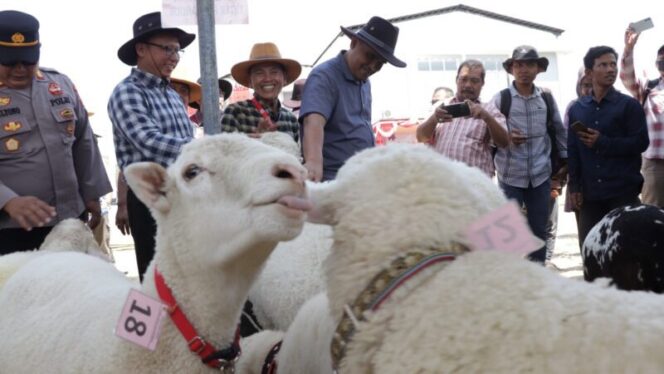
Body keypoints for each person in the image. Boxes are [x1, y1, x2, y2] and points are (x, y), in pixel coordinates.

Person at [0, 10, 112, 254]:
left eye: (28, 60)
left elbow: (84, 141)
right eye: (9, 61)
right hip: (10, 230)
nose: (20, 69)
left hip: (68, 221)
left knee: (72, 287)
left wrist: (92, 194)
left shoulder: (59, 85)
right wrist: (7, 200)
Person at [108, 11, 195, 281]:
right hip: (150, 197)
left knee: (189, 273)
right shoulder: (128, 92)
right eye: (167, 49)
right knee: (158, 276)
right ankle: (155, 325)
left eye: (177, 50)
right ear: (141, 49)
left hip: (183, 192)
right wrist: (204, 152)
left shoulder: (170, 92)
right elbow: (149, 142)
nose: (174, 57)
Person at [300, 16, 406, 181]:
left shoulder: (365, 83)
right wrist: (313, 162)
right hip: (334, 179)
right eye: (369, 56)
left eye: (379, 64)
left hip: (361, 177)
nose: (372, 66)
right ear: (354, 43)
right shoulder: (325, 76)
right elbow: (313, 121)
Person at [567, 45, 649, 248]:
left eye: (613, 64)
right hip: (590, 196)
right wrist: (575, 187)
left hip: (622, 193)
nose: (610, 69)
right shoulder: (578, 109)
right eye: (603, 65)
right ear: (588, 72)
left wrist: (603, 143)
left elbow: (640, 142)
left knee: (626, 253)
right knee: (590, 250)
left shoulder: (629, 106)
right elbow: (574, 150)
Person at [493, 45, 567, 264]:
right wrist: (507, 136)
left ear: (538, 69)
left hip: (540, 175)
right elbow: (488, 133)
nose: (523, 69)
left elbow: (558, 129)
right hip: (509, 177)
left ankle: (537, 277)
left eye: (529, 64)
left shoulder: (546, 97)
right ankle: (510, 279)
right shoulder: (501, 98)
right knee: (507, 235)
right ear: (512, 68)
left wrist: (564, 162)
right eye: (519, 65)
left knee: (538, 232)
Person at [416, 59, 509, 178]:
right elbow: (420, 137)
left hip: (473, 185)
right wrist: (434, 119)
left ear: (482, 83)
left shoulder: (489, 110)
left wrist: (486, 117)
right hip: (440, 181)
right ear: (456, 80)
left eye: (474, 81)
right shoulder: (439, 106)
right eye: (464, 79)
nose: (468, 85)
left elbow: (504, 142)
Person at [547, 69, 593, 264]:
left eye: (593, 84)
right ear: (578, 87)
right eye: (585, 85)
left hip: (611, 181)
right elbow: (567, 146)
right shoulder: (574, 108)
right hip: (580, 182)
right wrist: (563, 176)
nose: (590, 90)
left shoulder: (621, 106)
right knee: (587, 236)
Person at [221, 42, 301, 141]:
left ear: (284, 79)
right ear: (250, 81)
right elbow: (222, 153)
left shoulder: (291, 119)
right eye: (259, 73)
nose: (267, 79)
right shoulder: (236, 112)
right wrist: (255, 141)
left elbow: (296, 155)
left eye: (274, 72)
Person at [621, 27, 664, 208]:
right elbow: (627, 77)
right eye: (661, 61)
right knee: (653, 216)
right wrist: (629, 48)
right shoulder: (648, 89)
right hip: (655, 165)